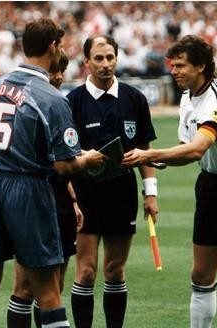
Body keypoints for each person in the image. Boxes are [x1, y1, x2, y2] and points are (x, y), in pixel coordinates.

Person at [0, 18, 105, 328]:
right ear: (53, 47)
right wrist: (88, 159)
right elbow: (65, 164)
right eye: (61, 46)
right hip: (26, 190)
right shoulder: (52, 98)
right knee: (49, 295)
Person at [122, 35, 217, 328]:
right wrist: (149, 160)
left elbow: (198, 148)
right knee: (200, 275)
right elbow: (187, 151)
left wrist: (150, 152)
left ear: (200, 66)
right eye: (173, 65)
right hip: (208, 184)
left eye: (181, 65)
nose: (174, 72)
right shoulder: (187, 98)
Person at [67, 35, 158, 328]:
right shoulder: (73, 102)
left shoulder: (134, 98)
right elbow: (64, 152)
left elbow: (145, 149)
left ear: (117, 59)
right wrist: (85, 155)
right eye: (99, 59)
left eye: (110, 58)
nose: (105, 64)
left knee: (116, 270)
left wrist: (151, 193)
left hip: (123, 193)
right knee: (86, 271)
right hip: (86, 194)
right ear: (87, 63)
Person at [6, 51, 81, 328]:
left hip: (57, 199)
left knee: (55, 286)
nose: (58, 76)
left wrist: (72, 198)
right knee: (25, 287)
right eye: (54, 71)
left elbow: (58, 159)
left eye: (62, 71)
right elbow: (62, 163)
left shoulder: (58, 103)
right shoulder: (35, 104)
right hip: (32, 199)